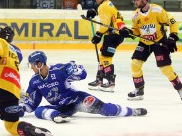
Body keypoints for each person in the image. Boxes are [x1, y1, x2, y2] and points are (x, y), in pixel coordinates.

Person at [19, 51, 147, 123]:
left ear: (40, 63)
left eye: (32, 65)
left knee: (105, 109)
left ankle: (132, 111)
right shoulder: (34, 82)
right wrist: (23, 108)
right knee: (38, 111)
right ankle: (57, 116)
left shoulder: (58, 71)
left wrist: (75, 69)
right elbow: (32, 103)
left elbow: (83, 75)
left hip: (77, 100)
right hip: (63, 108)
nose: (31, 67)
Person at [119, 0, 182, 101]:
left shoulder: (157, 10)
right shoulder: (135, 15)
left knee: (165, 68)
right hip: (144, 42)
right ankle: (139, 90)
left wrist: (173, 37)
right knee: (135, 64)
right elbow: (136, 31)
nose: (135, 1)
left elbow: (172, 21)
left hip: (159, 41)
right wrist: (128, 32)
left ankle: (180, 89)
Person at [85, 0, 125, 92]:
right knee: (103, 55)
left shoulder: (104, 6)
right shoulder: (108, 4)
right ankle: (99, 79)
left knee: (106, 56)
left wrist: (98, 34)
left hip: (113, 34)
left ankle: (111, 82)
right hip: (116, 34)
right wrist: (94, 11)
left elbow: (106, 25)